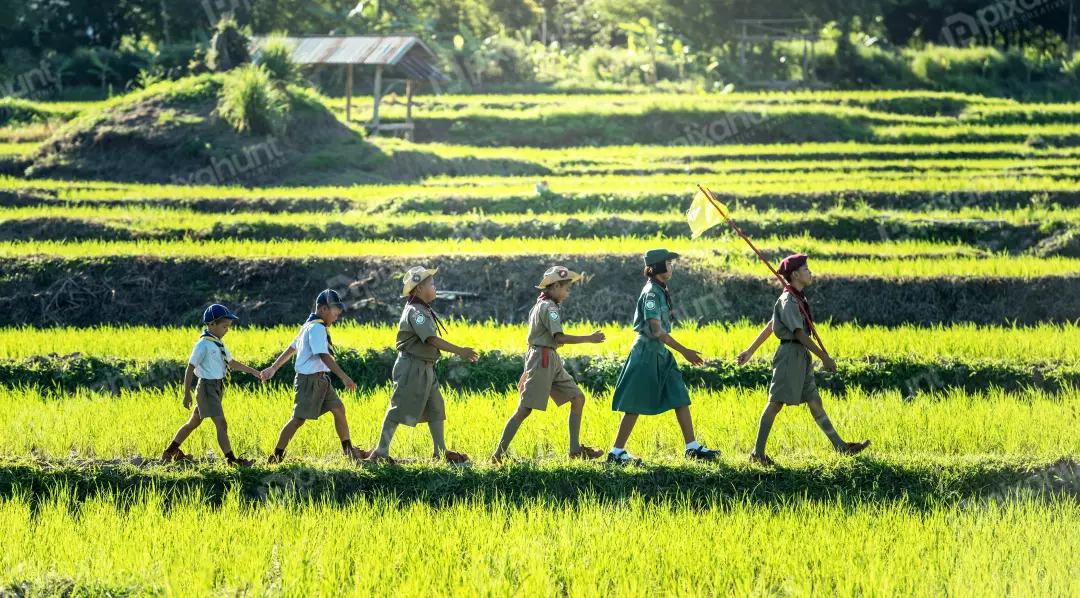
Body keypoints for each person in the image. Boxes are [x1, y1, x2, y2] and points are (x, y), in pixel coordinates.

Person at [736, 253, 870, 466]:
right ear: (796, 274)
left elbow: (772, 324)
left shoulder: (796, 297)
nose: (810, 272)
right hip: (790, 356)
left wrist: (750, 350)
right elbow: (798, 333)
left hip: (801, 356)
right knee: (775, 403)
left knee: (815, 401)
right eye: (806, 269)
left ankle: (840, 446)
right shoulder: (788, 300)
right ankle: (757, 454)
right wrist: (824, 357)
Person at [607, 249, 720, 465]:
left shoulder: (659, 289)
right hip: (646, 353)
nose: (671, 266)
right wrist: (685, 351)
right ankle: (616, 452)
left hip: (661, 353)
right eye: (668, 263)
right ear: (657, 266)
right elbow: (657, 331)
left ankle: (692, 447)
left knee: (679, 396)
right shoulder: (651, 293)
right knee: (634, 404)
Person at [491, 266, 606, 463]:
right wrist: (589, 338)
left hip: (548, 359)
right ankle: (498, 455)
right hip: (543, 359)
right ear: (555, 286)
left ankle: (575, 449)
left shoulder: (541, 305)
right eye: (567, 288)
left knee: (577, 398)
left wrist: (527, 370)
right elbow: (558, 336)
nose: (568, 293)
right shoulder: (549, 307)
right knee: (525, 409)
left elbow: (531, 341)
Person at [367, 267, 477, 464]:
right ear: (418, 289)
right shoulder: (416, 311)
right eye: (431, 284)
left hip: (425, 367)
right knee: (398, 407)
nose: (435, 287)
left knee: (436, 407)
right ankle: (380, 451)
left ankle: (440, 451)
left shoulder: (422, 309)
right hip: (412, 367)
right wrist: (460, 350)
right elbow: (431, 340)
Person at [262, 289, 369, 464]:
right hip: (309, 381)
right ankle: (276, 456)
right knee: (298, 419)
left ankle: (348, 451)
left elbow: (292, 349)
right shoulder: (317, 328)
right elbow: (323, 355)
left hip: (322, 380)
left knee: (339, 409)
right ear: (324, 309)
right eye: (335, 314)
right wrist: (343, 377)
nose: (335, 319)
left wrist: (273, 368)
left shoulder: (308, 326)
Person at [161, 303, 262, 467]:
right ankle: (232, 461)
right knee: (221, 424)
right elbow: (190, 368)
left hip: (216, 387)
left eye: (228, 327)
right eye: (224, 326)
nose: (227, 330)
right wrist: (186, 393)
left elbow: (232, 363)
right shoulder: (203, 344)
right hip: (207, 388)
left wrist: (254, 372)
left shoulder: (218, 343)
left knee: (193, 423)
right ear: (211, 324)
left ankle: (169, 452)